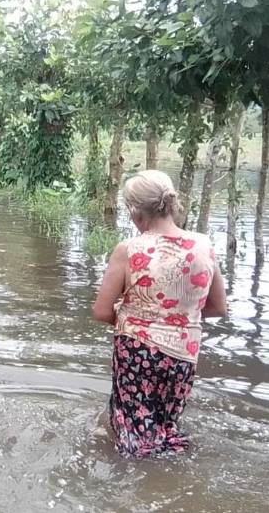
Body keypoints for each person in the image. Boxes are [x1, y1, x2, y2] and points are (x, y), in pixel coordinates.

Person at [92, 170, 226, 457]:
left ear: (135, 211)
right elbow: (218, 307)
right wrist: (177, 315)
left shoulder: (129, 249)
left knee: (133, 430)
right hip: (183, 354)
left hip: (137, 353)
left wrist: (135, 318)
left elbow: (102, 311)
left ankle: (137, 486)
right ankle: (172, 471)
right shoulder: (204, 246)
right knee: (166, 427)